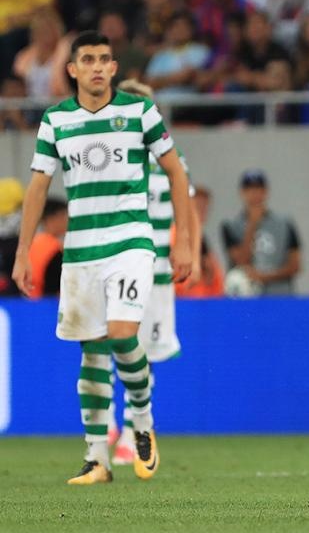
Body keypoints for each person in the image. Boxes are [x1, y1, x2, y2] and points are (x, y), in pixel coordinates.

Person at [11, 31, 194, 484]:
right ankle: (97, 459)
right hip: (81, 250)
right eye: (88, 59)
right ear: (72, 69)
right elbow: (38, 187)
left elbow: (175, 172)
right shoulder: (56, 120)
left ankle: (142, 421)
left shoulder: (140, 112)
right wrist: (23, 251)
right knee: (91, 351)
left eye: (104, 59)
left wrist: (184, 242)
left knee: (121, 333)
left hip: (130, 242)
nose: (96, 67)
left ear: (114, 68)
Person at [109, 79, 200, 465]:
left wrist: (191, 251)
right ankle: (113, 421)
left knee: (142, 351)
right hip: (116, 264)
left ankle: (133, 431)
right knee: (111, 341)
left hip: (158, 271)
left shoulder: (171, 158)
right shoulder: (112, 157)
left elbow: (188, 210)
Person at [221, 170, 302, 295]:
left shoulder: (285, 224)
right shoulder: (231, 226)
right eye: (249, 189)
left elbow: (295, 266)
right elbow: (240, 262)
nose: (254, 194)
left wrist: (265, 276)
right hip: (246, 297)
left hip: (279, 295)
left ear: (266, 192)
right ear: (242, 192)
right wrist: (253, 224)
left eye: (259, 189)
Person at [176, 186, 224, 298]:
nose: (201, 211)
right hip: (182, 301)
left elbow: (217, 284)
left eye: (204, 207)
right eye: (197, 207)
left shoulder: (205, 242)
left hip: (205, 301)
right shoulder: (175, 237)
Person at [26, 197, 68, 298]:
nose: (68, 221)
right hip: (47, 302)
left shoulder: (31, 243)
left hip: (28, 300)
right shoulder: (54, 249)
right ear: (53, 218)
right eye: (64, 216)